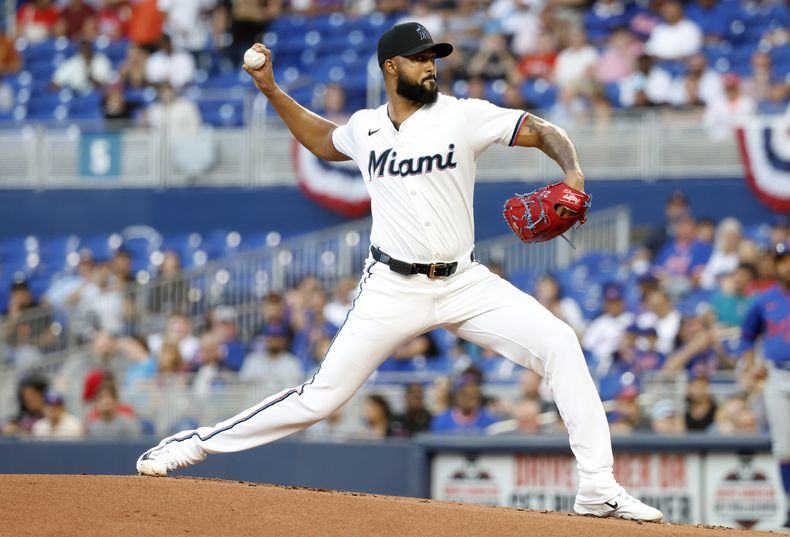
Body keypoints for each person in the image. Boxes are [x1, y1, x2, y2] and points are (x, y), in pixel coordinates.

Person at [135, 22, 662, 522]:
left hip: (464, 282)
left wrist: (572, 172)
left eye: (434, 57)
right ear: (391, 66)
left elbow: (541, 129)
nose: (430, 66)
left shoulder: (463, 115)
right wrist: (271, 90)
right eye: (419, 58)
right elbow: (323, 141)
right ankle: (194, 444)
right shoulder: (365, 128)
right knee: (321, 398)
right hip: (391, 286)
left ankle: (598, 488)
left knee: (560, 342)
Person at [739, 242, 790, 529]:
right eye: (782, 260)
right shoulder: (765, 299)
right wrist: (750, 362)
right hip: (777, 376)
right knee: (784, 448)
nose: (786, 266)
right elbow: (747, 335)